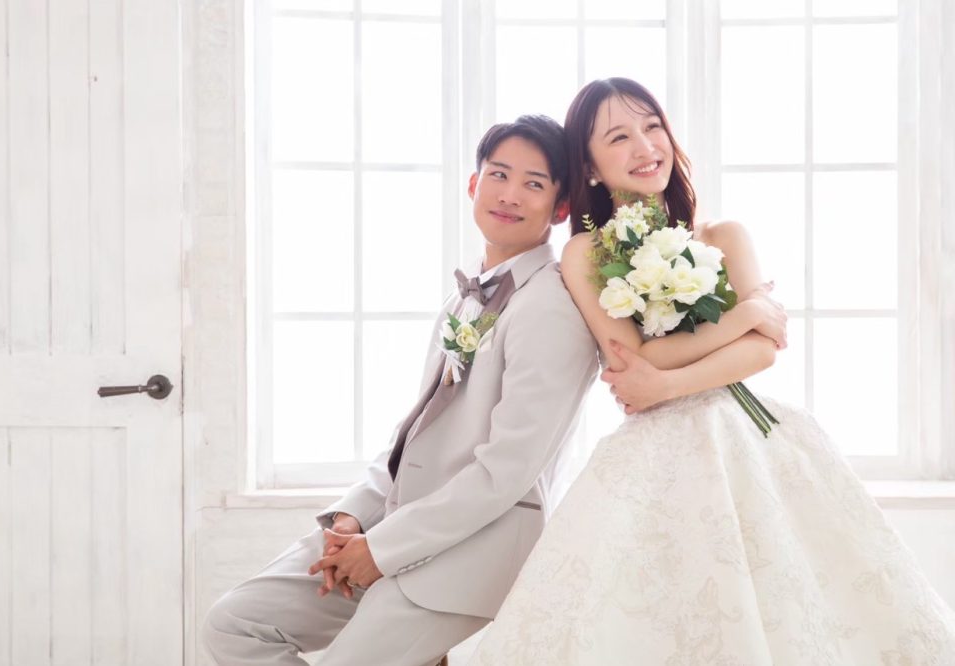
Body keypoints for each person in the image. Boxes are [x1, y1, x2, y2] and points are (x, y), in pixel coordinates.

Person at [468, 78, 955, 665]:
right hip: (655, 452)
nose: (645, 146)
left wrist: (669, 383)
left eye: (652, 126)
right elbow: (632, 356)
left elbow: (762, 352)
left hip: (752, 437)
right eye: (619, 137)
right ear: (590, 167)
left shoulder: (724, 236)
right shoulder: (585, 254)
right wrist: (745, 315)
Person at [201, 115, 600, 666]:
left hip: (470, 555)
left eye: (533, 183)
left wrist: (381, 550)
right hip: (393, 527)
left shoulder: (551, 307)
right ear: (473, 184)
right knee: (233, 626)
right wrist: (352, 519)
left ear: (559, 208)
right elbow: (412, 436)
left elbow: (505, 473)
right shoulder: (465, 296)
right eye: (498, 175)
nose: (509, 195)